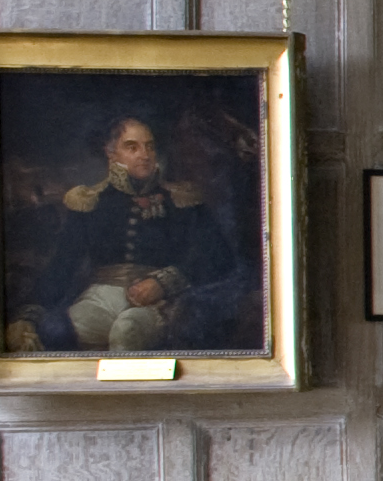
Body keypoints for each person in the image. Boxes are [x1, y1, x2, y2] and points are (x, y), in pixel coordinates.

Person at [24, 113, 248, 352]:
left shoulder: (182, 201)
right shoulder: (90, 202)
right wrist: (27, 316)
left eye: (149, 147)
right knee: (58, 331)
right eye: (132, 147)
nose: (145, 155)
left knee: (127, 330)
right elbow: (62, 267)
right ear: (111, 153)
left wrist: (165, 282)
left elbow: (220, 258)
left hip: (163, 302)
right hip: (100, 298)